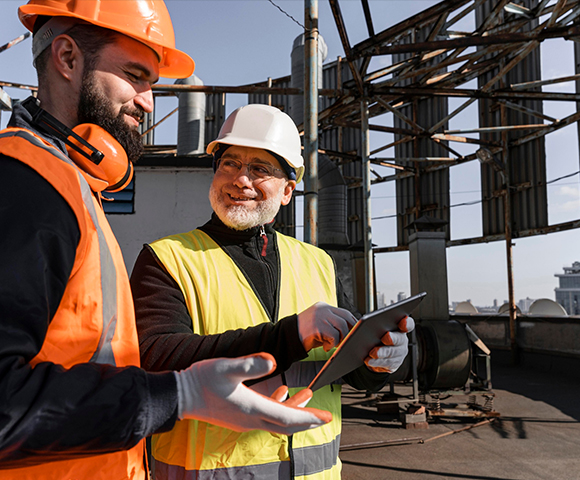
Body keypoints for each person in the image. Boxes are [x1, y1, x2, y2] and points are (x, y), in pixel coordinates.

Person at [0, 3, 332, 479]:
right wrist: (176, 395)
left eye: (152, 83)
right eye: (135, 75)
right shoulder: (27, 185)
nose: (149, 101)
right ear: (68, 59)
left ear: (287, 191)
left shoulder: (72, 188)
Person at [131, 104, 415, 479]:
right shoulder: (166, 259)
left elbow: (346, 370)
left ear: (287, 191)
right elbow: (156, 357)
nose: (240, 180)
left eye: (260, 169)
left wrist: (379, 361)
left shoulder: (317, 263)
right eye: (229, 163)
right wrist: (291, 335)